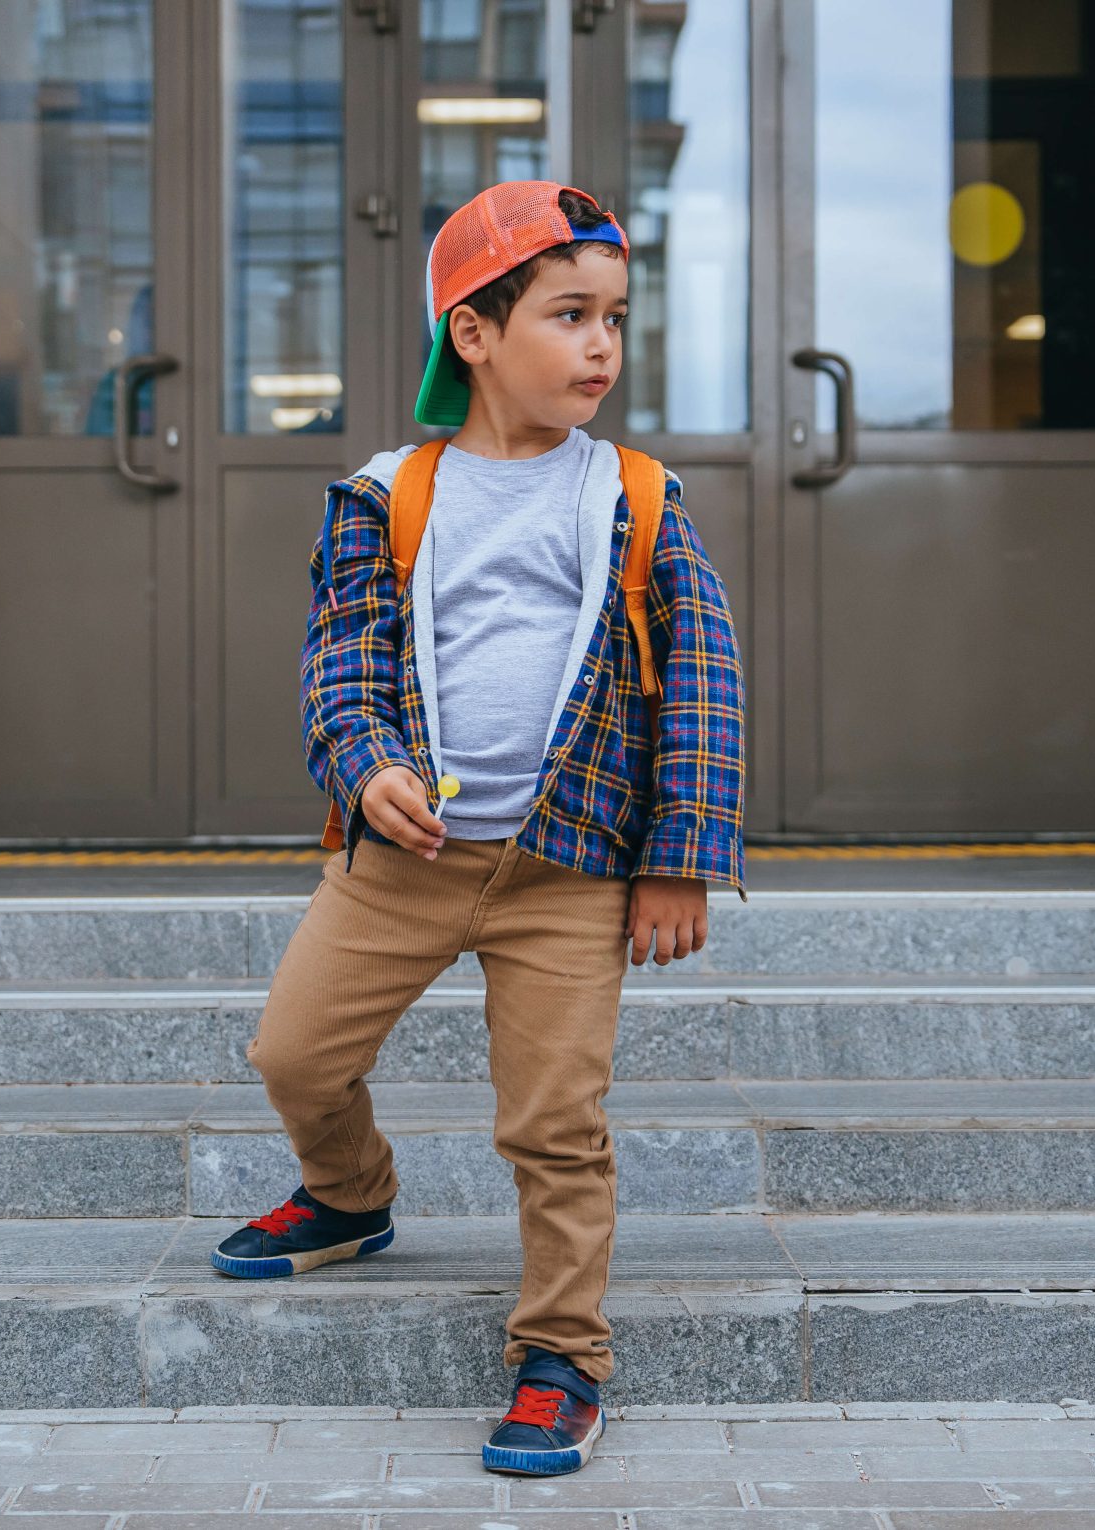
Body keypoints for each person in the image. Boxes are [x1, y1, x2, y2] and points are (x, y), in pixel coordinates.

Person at [212, 182, 745, 1477]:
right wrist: (368, 758)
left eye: (617, 317)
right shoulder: (390, 493)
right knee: (291, 1052)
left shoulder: (637, 494)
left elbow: (707, 674)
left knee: (554, 1123)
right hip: (405, 860)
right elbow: (345, 650)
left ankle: (562, 1352)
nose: (603, 346)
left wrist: (680, 857)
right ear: (475, 333)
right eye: (570, 316)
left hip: (569, 868)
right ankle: (350, 1191)